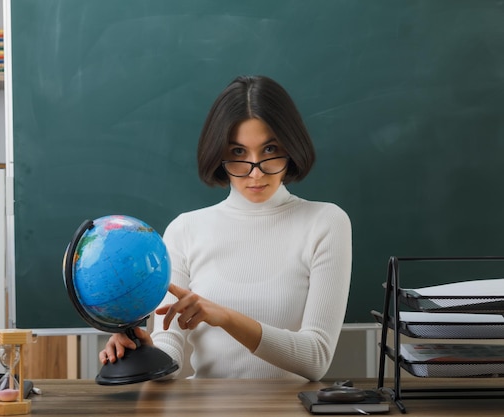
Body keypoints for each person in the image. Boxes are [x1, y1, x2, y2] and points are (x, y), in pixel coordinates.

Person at [100, 75, 352, 381]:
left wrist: (226, 317)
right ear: (219, 155)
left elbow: (316, 359)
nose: (255, 171)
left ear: (291, 146)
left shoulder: (326, 222)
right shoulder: (185, 229)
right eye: (238, 153)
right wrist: (143, 353)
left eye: (270, 149)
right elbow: (170, 349)